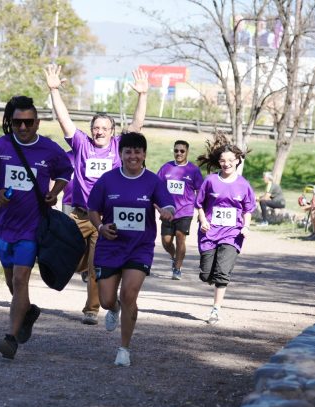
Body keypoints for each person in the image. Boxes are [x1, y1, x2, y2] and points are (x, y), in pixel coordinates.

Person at [44, 63, 149, 325]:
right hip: (79, 214)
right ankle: (80, 272)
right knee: (66, 255)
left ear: (112, 132)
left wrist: (142, 95)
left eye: (104, 128)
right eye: (96, 127)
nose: (99, 131)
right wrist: (54, 91)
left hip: (105, 217)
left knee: (95, 265)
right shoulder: (81, 144)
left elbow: (136, 126)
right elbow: (64, 121)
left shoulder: (118, 146)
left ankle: (92, 309)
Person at [0, 95, 73, 360]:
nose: (24, 128)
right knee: (11, 282)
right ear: (11, 122)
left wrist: (55, 192)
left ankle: (11, 339)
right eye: (18, 123)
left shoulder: (49, 149)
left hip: (32, 226)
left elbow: (65, 171)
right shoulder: (0, 147)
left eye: (29, 122)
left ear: (37, 122)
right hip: (4, 226)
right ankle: (27, 313)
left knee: (20, 279)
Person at [87, 132, 175, 367]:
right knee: (106, 300)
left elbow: (167, 203)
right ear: (121, 154)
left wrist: (167, 212)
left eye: (137, 151)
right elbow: (92, 209)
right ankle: (113, 309)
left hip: (139, 248)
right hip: (110, 246)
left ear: (144, 154)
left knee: (129, 294)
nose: (133, 156)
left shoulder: (153, 181)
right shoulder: (107, 180)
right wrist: (100, 226)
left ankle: (124, 348)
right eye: (128, 151)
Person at [195, 132, 256, 325]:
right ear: (218, 162)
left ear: (238, 160)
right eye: (223, 160)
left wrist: (246, 226)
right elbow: (199, 204)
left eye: (231, 160)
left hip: (232, 234)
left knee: (222, 273)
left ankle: (215, 309)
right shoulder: (211, 181)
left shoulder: (244, 185)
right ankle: (212, 276)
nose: (226, 163)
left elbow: (248, 210)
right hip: (209, 232)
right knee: (206, 275)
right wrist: (203, 219)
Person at [156, 140, 204, 280]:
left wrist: (197, 206)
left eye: (182, 151)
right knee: (166, 241)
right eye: (176, 150)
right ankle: (174, 256)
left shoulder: (193, 170)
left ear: (187, 152)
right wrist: (159, 207)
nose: (179, 153)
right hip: (168, 211)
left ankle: (177, 268)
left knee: (180, 238)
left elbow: (200, 190)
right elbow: (157, 187)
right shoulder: (166, 168)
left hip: (185, 211)